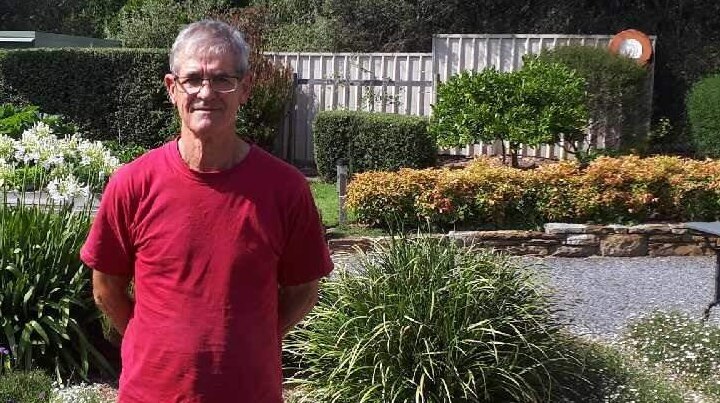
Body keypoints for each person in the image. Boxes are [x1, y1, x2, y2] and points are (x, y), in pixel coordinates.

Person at [80, 19, 333, 402]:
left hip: (249, 392)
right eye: (193, 79)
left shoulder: (285, 189)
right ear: (172, 88)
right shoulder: (133, 184)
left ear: (244, 89)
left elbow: (304, 289)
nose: (206, 92)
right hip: (151, 392)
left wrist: (251, 342)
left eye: (221, 80)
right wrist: (154, 342)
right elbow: (105, 287)